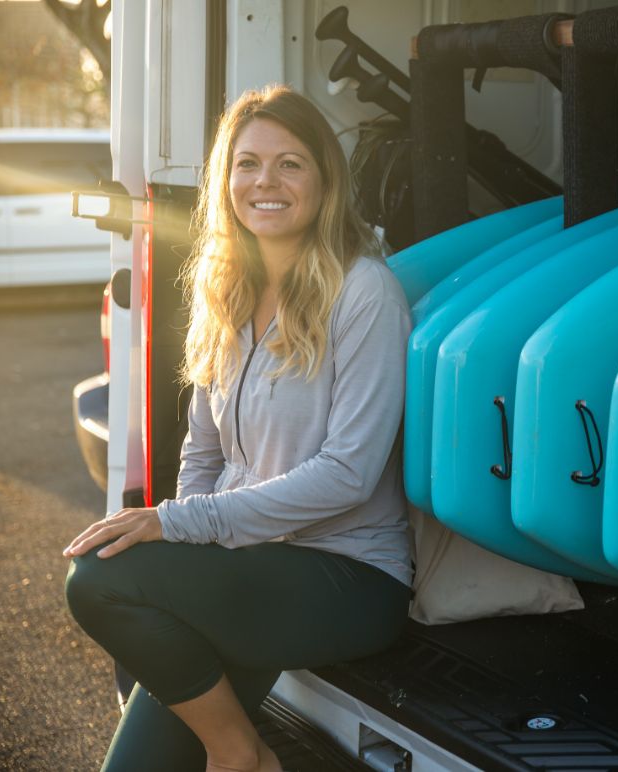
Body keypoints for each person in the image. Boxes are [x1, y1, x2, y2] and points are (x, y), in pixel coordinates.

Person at [63, 85, 413, 772]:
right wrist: (189, 523)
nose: (266, 182)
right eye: (248, 163)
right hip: (251, 562)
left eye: (291, 163)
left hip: (347, 577)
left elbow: (350, 473)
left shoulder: (364, 290)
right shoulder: (226, 290)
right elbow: (203, 451)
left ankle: (237, 754)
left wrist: (181, 527)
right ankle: (241, 752)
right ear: (225, 182)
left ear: (324, 181)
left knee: (98, 581)